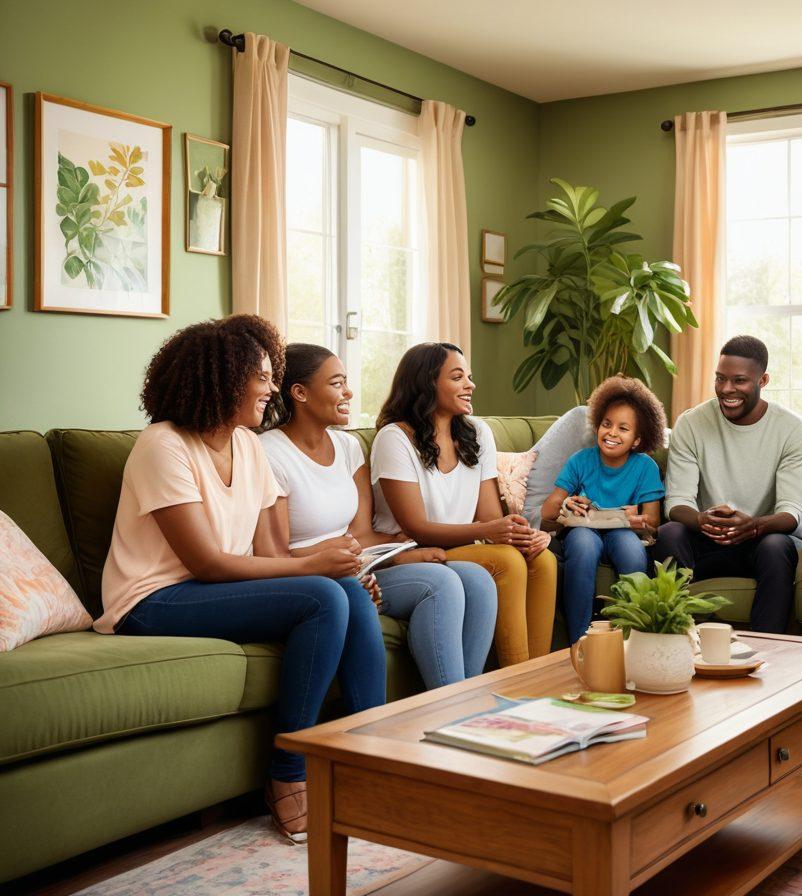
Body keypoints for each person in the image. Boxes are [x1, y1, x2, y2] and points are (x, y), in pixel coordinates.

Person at [96, 316, 383, 843]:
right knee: (322, 593)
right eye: (262, 377)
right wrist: (312, 567)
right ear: (223, 379)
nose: (272, 389)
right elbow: (206, 563)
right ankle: (288, 775)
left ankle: (372, 758)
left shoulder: (248, 445)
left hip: (213, 591)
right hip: (152, 600)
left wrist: (337, 570)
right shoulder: (163, 446)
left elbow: (267, 552)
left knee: (342, 591)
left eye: (274, 376)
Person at [260, 343, 497, 691]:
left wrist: (399, 548)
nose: (349, 392)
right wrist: (336, 555)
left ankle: (465, 702)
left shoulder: (348, 447)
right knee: (440, 582)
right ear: (300, 393)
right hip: (314, 576)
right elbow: (273, 556)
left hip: (360, 568)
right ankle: (449, 706)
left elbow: (363, 536)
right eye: (337, 383)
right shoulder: (268, 451)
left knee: (477, 580)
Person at [371, 343, 557, 667]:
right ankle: (517, 679)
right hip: (414, 552)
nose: (470, 385)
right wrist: (491, 530)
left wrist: (526, 536)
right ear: (427, 383)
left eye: (468, 377)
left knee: (542, 559)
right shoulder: (394, 438)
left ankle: (535, 678)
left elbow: (489, 517)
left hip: (462, 547)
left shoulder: (477, 433)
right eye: (458, 377)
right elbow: (416, 527)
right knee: (509, 563)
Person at [653, 335, 802, 632]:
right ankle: (680, 639)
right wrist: (701, 519)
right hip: (703, 538)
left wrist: (753, 526)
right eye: (720, 379)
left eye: (739, 381)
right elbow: (677, 501)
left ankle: (768, 650)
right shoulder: (691, 423)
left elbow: (793, 510)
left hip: (756, 541)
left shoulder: (790, 428)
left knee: (778, 546)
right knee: (670, 534)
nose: (727, 390)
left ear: (763, 381)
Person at [541, 376, 666, 644]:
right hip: (584, 530)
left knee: (631, 552)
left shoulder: (645, 467)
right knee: (584, 546)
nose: (611, 433)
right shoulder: (581, 460)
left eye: (623, 428)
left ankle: (630, 640)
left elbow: (653, 521)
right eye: (607, 424)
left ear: (636, 439)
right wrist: (565, 503)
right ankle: (579, 643)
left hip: (624, 532)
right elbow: (547, 511)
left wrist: (637, 520)